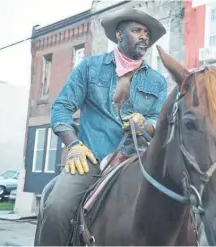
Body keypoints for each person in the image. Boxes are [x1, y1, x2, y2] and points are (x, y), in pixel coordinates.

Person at [35, 8, 168, 246]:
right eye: (137, 30)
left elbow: (160, 121)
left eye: (146, 33)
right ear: (119, 35)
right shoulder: (89, 67)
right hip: (90, 157)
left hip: (136, 161)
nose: (144, 37)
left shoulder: (157, 81)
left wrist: (145, 123)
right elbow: (61, 108)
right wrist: (73, 145)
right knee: (56, 207)